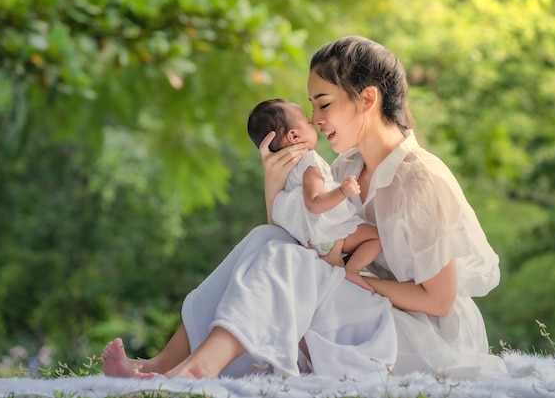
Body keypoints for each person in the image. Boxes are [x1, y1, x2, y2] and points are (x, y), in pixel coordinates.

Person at [102, 35, 505, 381]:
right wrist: (274, 184)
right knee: (267, 236)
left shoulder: (419, 178)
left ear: (367, 99)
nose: (315, 118)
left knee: (294, 263)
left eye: (324, 104)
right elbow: (296, 237)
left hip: (421, 336)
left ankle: (197, 370)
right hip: (365, 309)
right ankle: (167, 361)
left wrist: (349, 278)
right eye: (312, 105)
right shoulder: (348, 166)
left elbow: (439, 301)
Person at [247, 98, 380, 292]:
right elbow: (314, 203)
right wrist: (343, 191)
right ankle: (352, 271)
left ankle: (345, 266)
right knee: (377, 237)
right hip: (329, 235)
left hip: (315, 241)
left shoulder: (288, 173)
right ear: (294, 136)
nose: (314, 121)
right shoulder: (310, 164)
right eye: (308, 122)